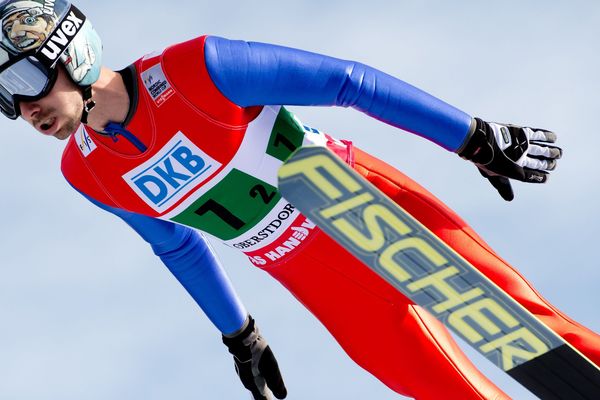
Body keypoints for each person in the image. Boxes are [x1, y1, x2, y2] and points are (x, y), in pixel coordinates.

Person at [0, 0, 597, 399]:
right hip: (310, 275)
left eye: (27, 81)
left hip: (357, 203)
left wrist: (473, 137)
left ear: (71, 52)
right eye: (6, 96)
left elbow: (345, 82)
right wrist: (241, 335)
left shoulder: (194, 69)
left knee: (527, 326)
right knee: (439, 388)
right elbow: (178, 247)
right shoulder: (87, 171)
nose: (25, 109)